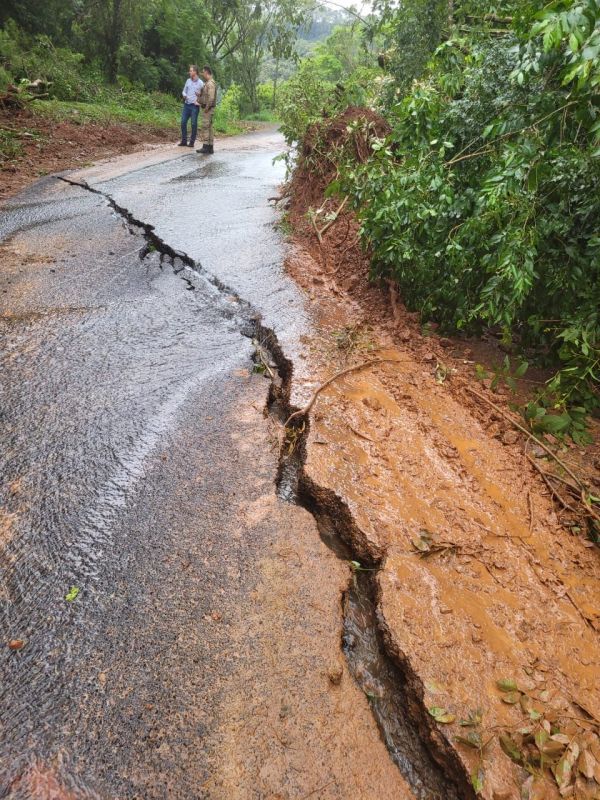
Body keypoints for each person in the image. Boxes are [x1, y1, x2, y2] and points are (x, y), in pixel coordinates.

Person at [179, 65, 203, 147]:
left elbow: (204, 95)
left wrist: (199, 102)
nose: (189, 72)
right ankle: (184, 141)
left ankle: (192, 142)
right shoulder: (188, 81)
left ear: (195, 72)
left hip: (194, 106)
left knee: (193, 124)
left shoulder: (201, 83)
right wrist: (184, 95)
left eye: (191, 71)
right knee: (183, 122)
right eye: (189, 71)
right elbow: (183, 91)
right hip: (186, 105)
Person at [196, 66, 217, 155]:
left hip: (208, 109)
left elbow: (211, 98)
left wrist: (207, 108)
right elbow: (206, 96)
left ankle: (206, 146)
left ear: (207, 73)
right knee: (209, 128)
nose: (202, 74)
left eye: (203, 72)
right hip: (207, 108)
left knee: (205, 127)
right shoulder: (208, 83)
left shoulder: (210, 84)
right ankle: (209, 147)